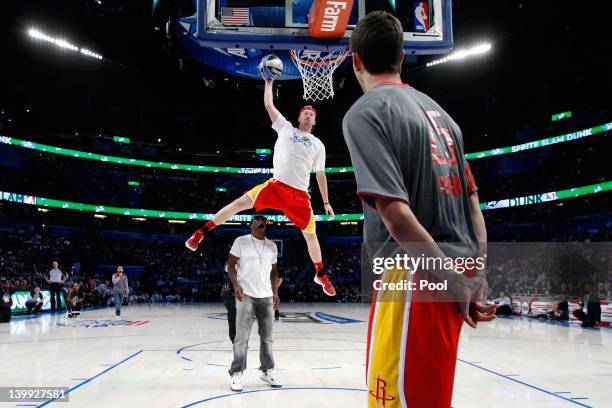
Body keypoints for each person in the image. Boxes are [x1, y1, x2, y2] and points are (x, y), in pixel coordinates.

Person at [343, 11, 497, 407]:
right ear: (402, 55)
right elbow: (473, 203)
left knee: (393, 399)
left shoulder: (367, 112)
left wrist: (457, 283)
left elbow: (395, 216)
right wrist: (474, 275)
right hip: (452, 272)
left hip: (414, 275)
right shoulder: (443, 117)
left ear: (356, 60)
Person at [185, 81, 336, 297]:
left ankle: (320, 274)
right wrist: (268, 83)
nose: (308, 115)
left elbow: (320, 174)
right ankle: (200, 232)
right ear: (299, 117)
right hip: (276, 186)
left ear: (315, 120)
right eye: (305, 112)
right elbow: (268, 104)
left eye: (311, 113)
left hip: (299, 195)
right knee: (238, 204)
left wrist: (327, 202)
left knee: (311, 236)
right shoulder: (285, 127)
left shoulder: (318, 145)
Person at [226, 215, 282, 392]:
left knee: (267, 338)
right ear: (251, 225)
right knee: (241, 338)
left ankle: (267, 371)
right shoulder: (240, 242)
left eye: (264, 222)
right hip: (246, 295)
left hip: (266, 296)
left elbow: (274, 272)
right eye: (258, 221)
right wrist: (236, 285)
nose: (262, 223)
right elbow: (231, 264)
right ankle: (237, 373)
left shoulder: (272, 246)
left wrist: (275, 292)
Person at [221, 264, 237, 343]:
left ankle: (239, 339)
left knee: (240, 317)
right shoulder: (229, 263)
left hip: (238, 294)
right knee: (233, 314)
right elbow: (227, 268)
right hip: (228, 294)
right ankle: (234, 338)